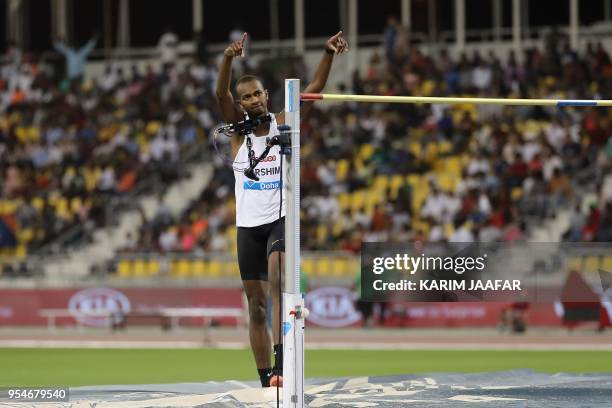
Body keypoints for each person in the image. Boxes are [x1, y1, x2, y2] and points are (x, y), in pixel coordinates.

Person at [215, 31, 348, 388]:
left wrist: (327, 52)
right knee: (256, 308)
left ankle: (281, 364)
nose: (253, 100)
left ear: (267, 95)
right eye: (246, 97)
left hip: (280, 220)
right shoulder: (238, 135)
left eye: (257, 93)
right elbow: (220, 95)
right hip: (248, 227)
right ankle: (264, 380)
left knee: (278, 277)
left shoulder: (284, 121)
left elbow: (315, 86)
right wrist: (228, 58)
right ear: (240, 104)